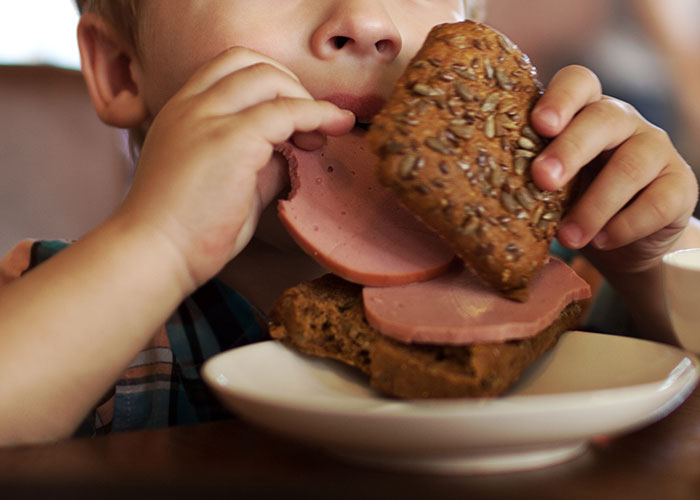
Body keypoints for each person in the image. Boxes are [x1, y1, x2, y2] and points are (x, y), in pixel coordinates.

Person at [0, 0, 698, 446]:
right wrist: (159, 245)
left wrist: (646, 265)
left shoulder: (547, 288)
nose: (364, 19)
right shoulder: (64, 303)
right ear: (124, 70)